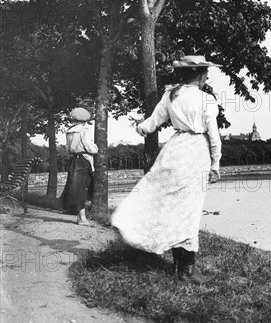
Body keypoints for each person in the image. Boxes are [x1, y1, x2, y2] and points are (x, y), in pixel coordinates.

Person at [111, 55, 222, 284]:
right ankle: (186, 271)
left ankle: (178, 267)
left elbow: (150, 125)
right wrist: (215, 163)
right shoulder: (206, 100)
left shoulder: (171, 95)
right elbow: (214, 135)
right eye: (206, 73)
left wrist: (137, 124)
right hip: (195, 152)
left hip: (174, 150)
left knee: (173, 208)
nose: (207, 77)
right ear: (201, 75)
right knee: (190, 210)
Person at [61, 107, 98, 225]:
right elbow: (89, 148)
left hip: (74, 160)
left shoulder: (70, 131)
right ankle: (83, 218)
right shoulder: (83, 130)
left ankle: (80, 217)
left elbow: (67, 149)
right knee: (83, 189)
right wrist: (96, 148)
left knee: (77, 188)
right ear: (85, 120)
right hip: (84, 160)